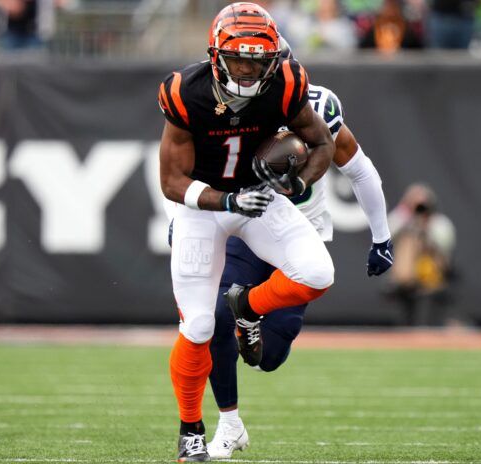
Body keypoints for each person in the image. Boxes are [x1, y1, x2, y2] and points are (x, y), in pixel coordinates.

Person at [157, 3, 336, 461]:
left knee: (317, 273)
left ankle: (247, 309)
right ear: (216, 56)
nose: (247, 69)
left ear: (272, 59)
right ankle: (190, 429)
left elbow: (321, 143)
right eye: (238, 59)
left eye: (257, 61)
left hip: (259, 198)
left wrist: (298, 182)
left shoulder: (288, 82)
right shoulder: (185, 92)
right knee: (197, 324)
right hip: (203, 205)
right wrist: (226, 200)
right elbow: (172, 183)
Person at [205, 38, 394, 460]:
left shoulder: (320, 107)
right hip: (250, 226)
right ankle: (228, 425)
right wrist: (184, 220)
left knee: (268, 356)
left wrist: (381, 236)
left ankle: (250, 310)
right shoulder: (238, 109)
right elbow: (197, 165)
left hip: (300, 235)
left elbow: (360, 171)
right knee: (217, 318)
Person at [387, 183, 455, 326]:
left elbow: (445, 246)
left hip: (431, 277)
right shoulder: (404, 222)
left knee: (416, 241)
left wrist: (425, 227)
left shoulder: (439, 223)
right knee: (408, 241)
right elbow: (385, 234)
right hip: (405, 279)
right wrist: (405, 211)